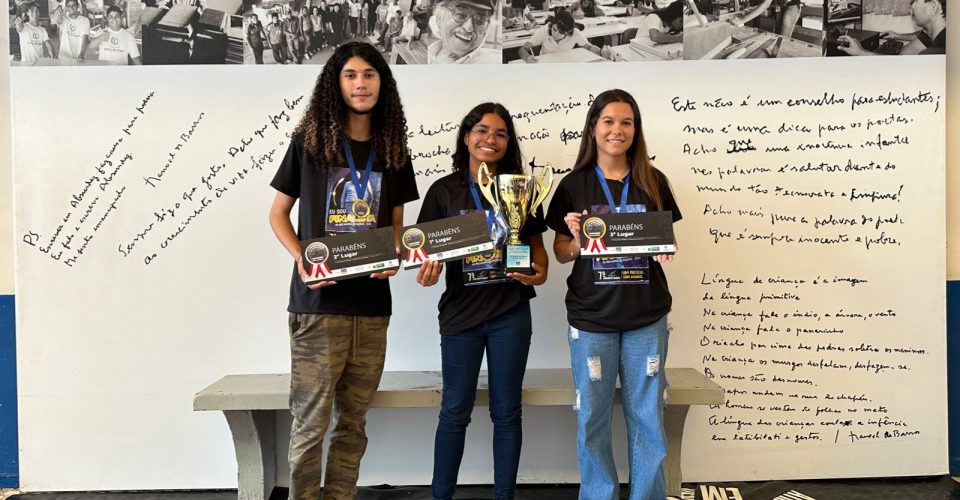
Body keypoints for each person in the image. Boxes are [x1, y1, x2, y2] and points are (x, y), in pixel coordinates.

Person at [268, 41, 419, 500]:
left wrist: (394, 257)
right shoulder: (308, 145)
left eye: (370, 75)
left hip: (372, 309)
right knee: (310, 424)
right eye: (351, 75)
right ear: (336, 83)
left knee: (353, 424)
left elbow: (395, 227)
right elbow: (278, 215)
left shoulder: (393, 150)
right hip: (318, 305)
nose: (361, 84)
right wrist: (301, 257)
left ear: (382, 84)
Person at [545, 89, 681, 500]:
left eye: (626, 122)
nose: (617, 130)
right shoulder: (573, 185)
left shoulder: (654, 182)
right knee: (592, 418)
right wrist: (574, 239)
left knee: (648, 420)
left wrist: (665, 248)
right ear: (593, 129)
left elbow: (665, 242)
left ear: (636, 130)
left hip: (646, 319)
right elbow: (562, 254)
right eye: (608, 121)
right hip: (592, 322)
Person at [416, 102, 548, 500]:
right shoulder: (444, 190)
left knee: (507, 413)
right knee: (454, 412)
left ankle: (504, 497)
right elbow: (425, 252)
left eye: (501, 133)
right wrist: (427, 269)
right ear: (467, 136)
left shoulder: (522, 188)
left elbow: (538, 253)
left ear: (508, 143)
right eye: (482, 130)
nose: (490, 139)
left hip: (510, 312)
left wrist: (538, 272)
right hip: (460, 316)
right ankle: (441, 497)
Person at [839, 0, 945, 55]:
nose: (911, 7)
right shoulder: (938, 34)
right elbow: (903, 57)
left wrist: (862, 53)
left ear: (933, 7)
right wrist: (896, 35)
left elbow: (900, 68)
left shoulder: (935, 52)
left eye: (915, 1)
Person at [427, 0, 500, 63]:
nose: (469, 28)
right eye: (461, 15)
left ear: (485, 30)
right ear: (439, 19)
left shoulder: (496, 61)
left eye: (480, 21)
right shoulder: (427, 54)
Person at [518, 8, 601, 62]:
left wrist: (601, 51)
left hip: (566, 64)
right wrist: (527, 57)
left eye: (561, 33)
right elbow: (522, 49)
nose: (556, 34)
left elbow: (589, 47)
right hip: (547, 66)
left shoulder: (575, 33)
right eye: (554, 29)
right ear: (552, 24)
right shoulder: (544, 30)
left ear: (568, 32)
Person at [730, 0, 800, 38]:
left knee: (784, 38)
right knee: (777, 36)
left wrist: (742, 20)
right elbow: (769, 3)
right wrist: (753, 8)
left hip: (792, 5)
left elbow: (766, 4)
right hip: (780, 6)